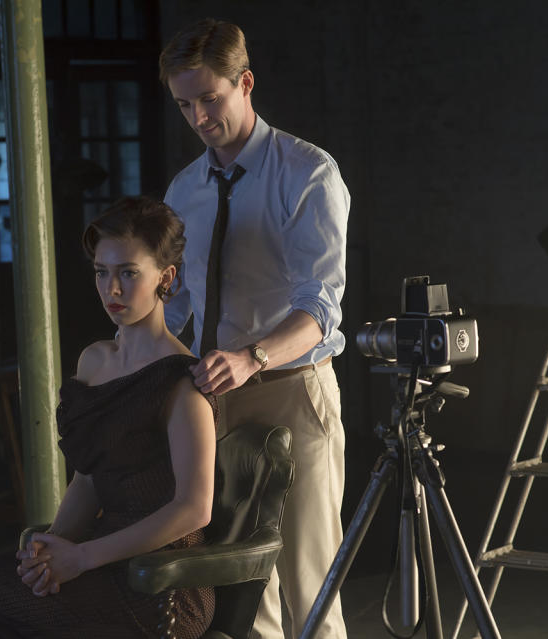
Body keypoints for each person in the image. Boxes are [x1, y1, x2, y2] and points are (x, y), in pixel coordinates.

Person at [0, 196, 218, 639]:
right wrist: (50, 550)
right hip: (95, 558)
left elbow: (195, 509)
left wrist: (81, 558)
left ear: (166, 277)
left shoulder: (182, 382)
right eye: (102, 272)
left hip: (160, 583)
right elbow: (87, 480)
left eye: (128, 273)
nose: (111, 289)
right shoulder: (95, 362)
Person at [159, 18, 350, 639]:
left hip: (293, 388)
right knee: (240, 592)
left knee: (309, 580)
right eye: (184, 104)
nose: (197, 117)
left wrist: (252, 357)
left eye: (209, 99)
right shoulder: (184, 190)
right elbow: (180, 302)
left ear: (245, 83)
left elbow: (319, 305)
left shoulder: (308, 173)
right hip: (213, 399)